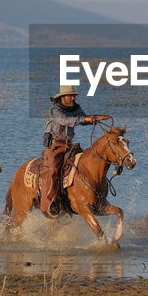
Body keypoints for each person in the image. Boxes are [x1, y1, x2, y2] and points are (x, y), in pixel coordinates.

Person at [38, 85, 110, 215]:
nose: (73, 98)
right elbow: (67, 121)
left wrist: (95, 118)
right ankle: (51, 200)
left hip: (69, 144)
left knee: (86, 163)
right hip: (55, 145)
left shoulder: (75, 107)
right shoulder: (55, 110)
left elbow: (83, 119)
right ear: (63, 97)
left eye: (74, 96)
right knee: (54, 169)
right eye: (71, 96)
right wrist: (85, 118)